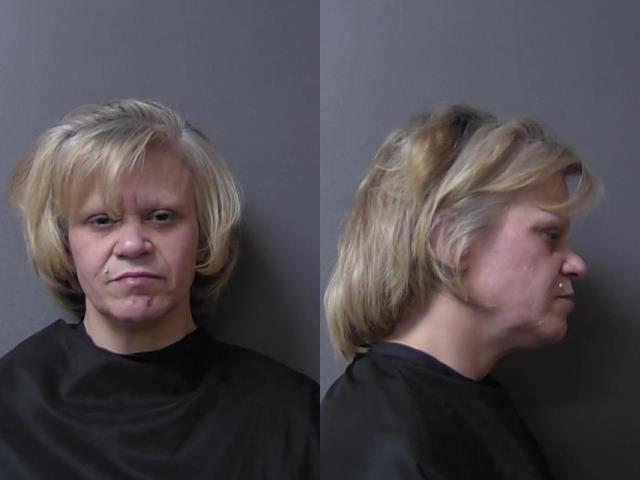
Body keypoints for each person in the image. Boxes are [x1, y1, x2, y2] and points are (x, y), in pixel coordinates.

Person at [0, 99, 318, 479]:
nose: (132, 245)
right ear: (64, 242)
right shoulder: (9, 407)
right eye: (101, 221)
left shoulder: (291, 416)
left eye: (162, 217)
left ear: (203, 236)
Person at [321, 106, 601, 479]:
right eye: (550, 235)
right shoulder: (384, 446)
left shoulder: (456, 399)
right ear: (452, 242)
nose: (576, 265)